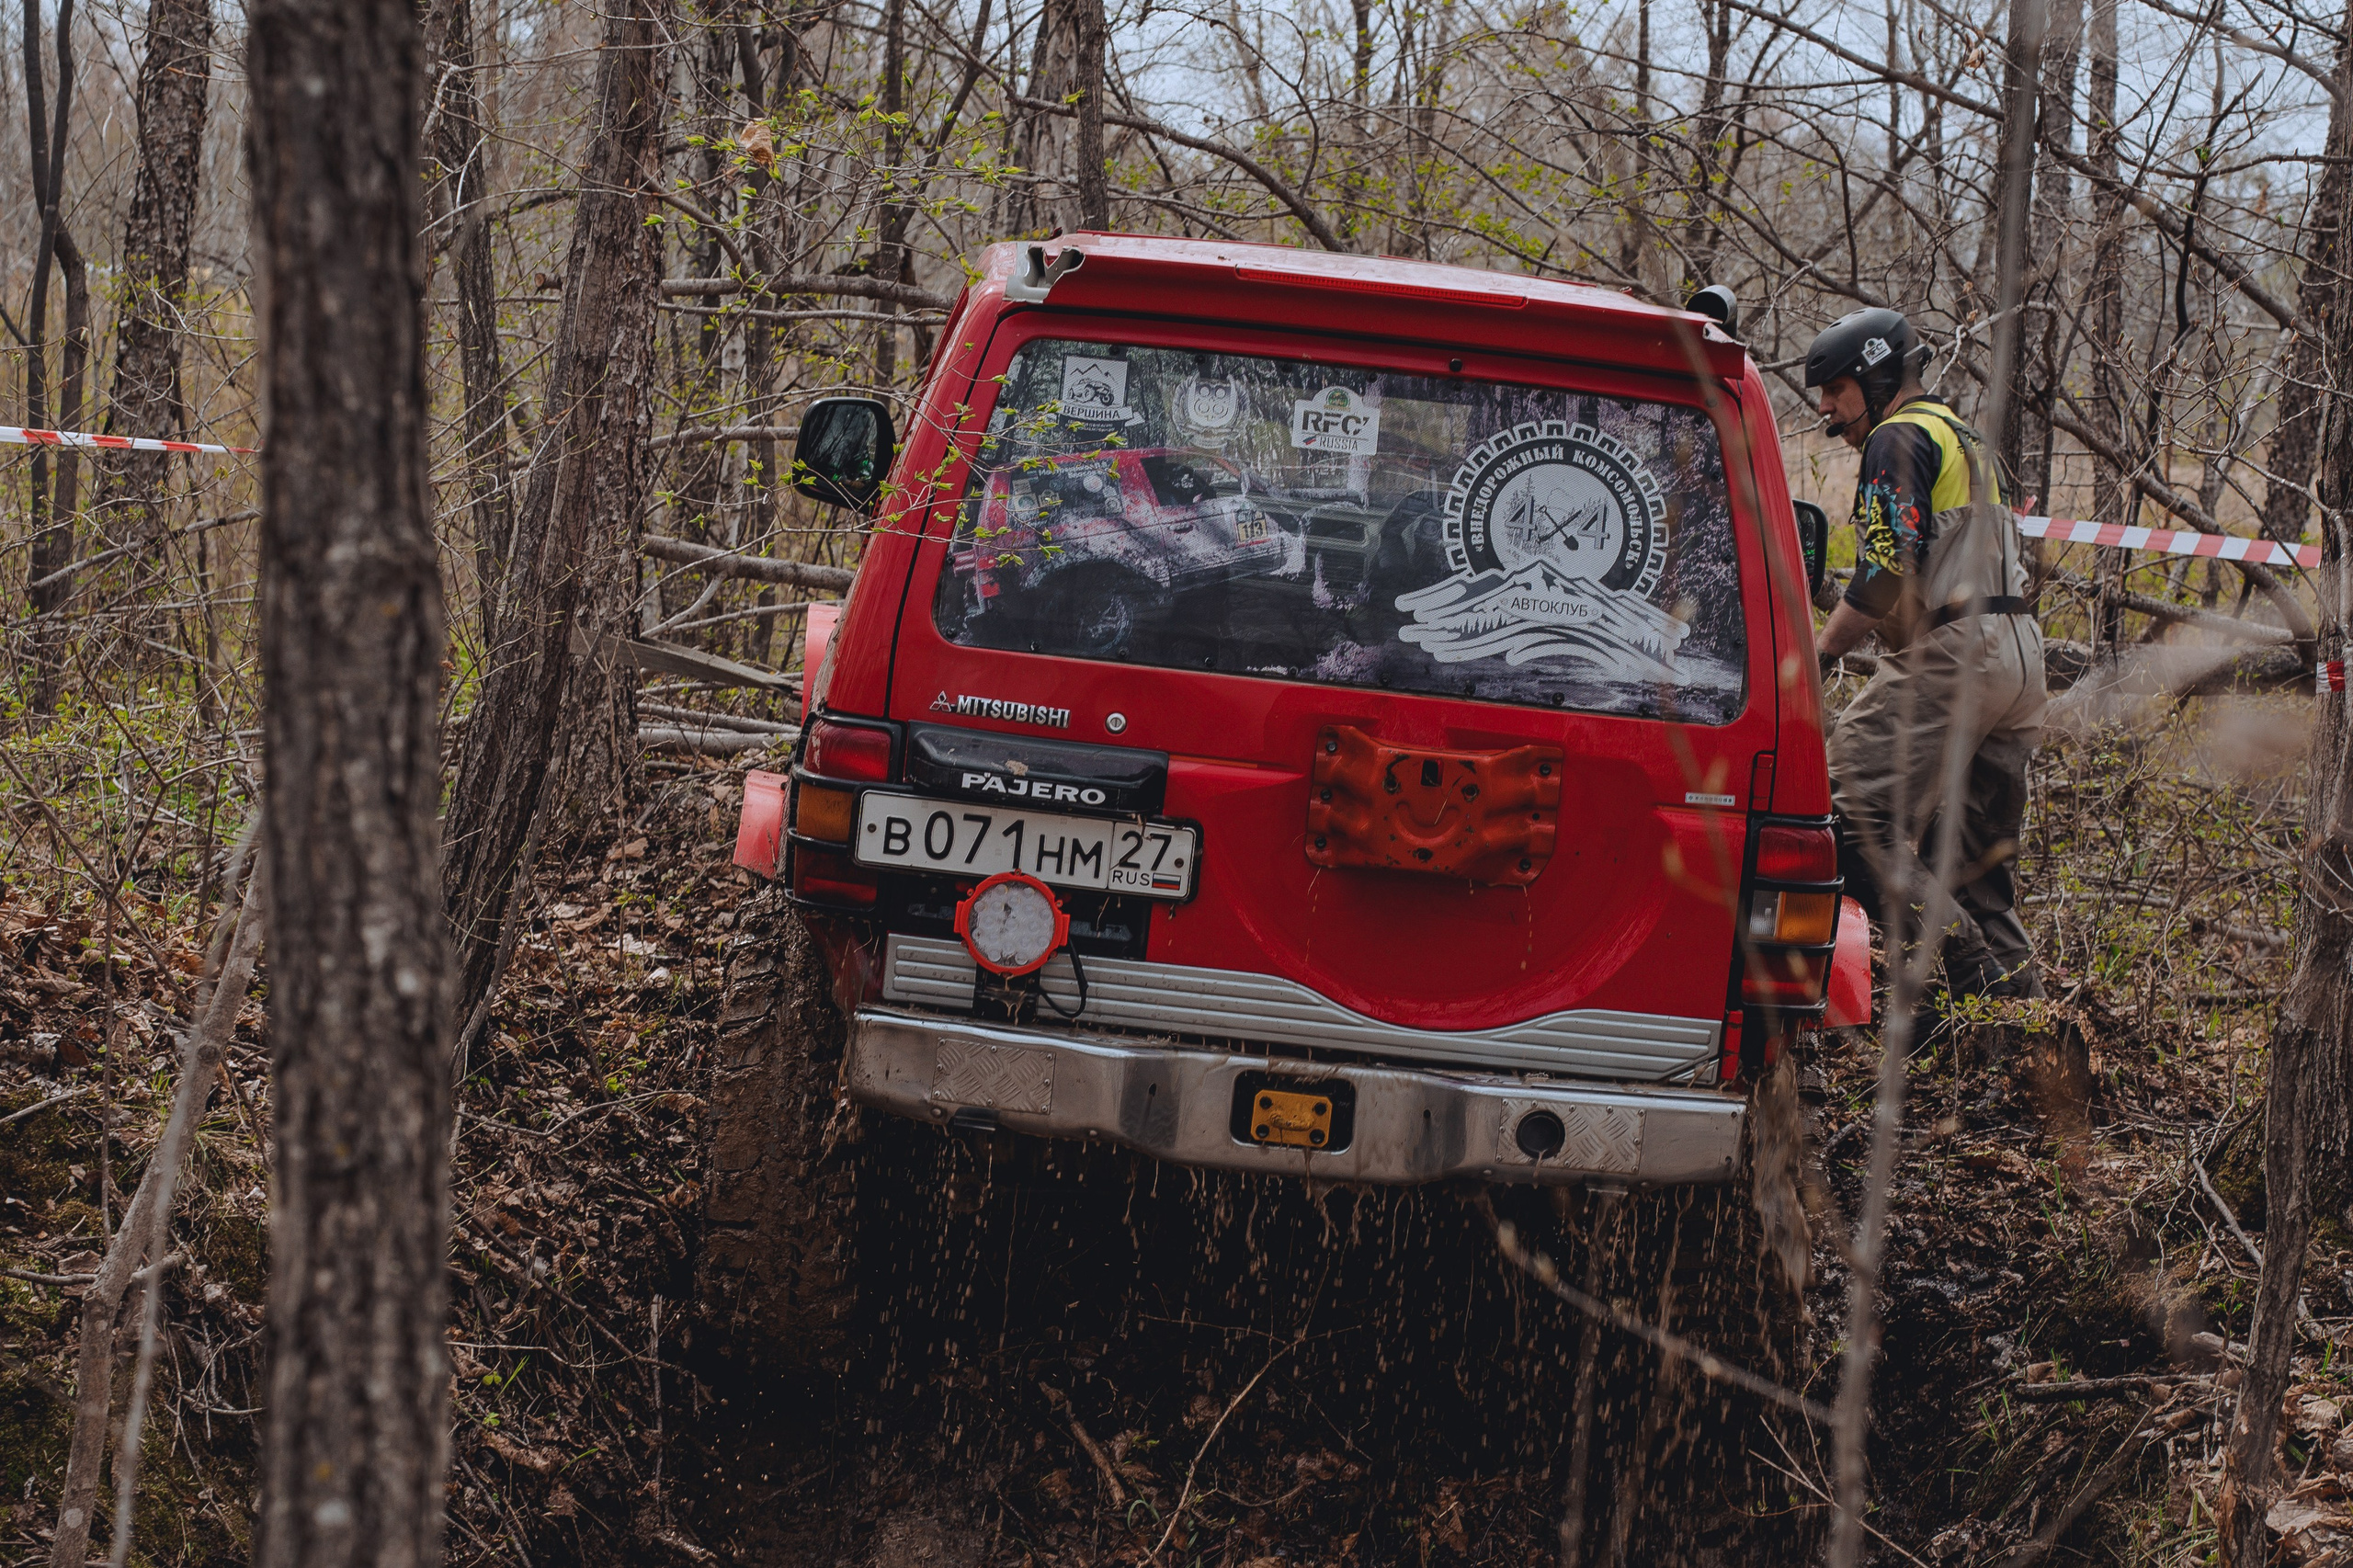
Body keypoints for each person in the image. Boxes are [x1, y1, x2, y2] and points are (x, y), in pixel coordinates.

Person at [1805, 307, 2048, 1003]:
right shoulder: (1966, 437)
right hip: (2019, 662)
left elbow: (1883, 576)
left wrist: (1820, 655)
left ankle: (1957, 964)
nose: (1825, 410)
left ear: (1877, 378)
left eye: (1834, 390)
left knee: (1844, 813)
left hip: (1957, 653)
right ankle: (2023, 1043)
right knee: (1978, 873)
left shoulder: (1897, 438)